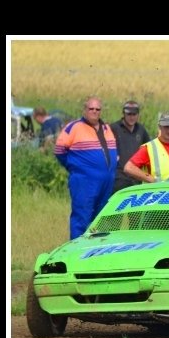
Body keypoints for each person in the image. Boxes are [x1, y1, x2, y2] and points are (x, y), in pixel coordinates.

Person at [55, 97, 118, 240]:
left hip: (106, 182)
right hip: (84, 181)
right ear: (85, 110)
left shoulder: (106, 128)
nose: (94, 112)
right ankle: (76, 252)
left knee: (101, 219)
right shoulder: (74, 127)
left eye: (97, 109)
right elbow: (59, 150)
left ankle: (94, 251)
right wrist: (75, 167)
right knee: (82, 217)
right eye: (91, 109)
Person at [123, 112, 169, 183]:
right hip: (157, 192)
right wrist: (152, 180)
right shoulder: (149, 148)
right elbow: (129, 168)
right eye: (166, 127)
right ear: (159, 127)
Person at [110, 100, 151, 193]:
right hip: (118, 179)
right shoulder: (113, 128)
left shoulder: (141, 130)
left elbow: (149, 149)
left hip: (136, 180)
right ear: (123, 114)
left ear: (138, 115)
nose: (131, 117)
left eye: (134, 114)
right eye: (129, 114)